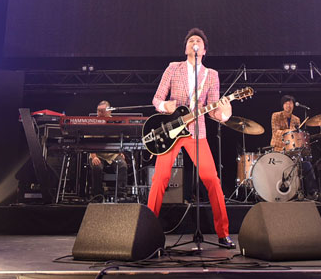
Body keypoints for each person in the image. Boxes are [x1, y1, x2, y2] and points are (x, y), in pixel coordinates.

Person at [148, 28, 235, 248]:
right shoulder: (173, 68)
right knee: (160, 178)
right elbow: (157, 99)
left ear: (204, 50)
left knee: (212, 179)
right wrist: (164, 105)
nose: (194, 42)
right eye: (190, 40)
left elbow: (213, 110)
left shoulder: (211, 74)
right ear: (186, 48)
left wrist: (224, 113)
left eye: (198, 41)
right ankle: (146, 231)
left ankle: (223, 233)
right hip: (171, 130)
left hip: (197, 132)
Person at [269, 95, 319, 199]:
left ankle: (312, 192)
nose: (289, 105)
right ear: (283, 105)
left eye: (291, 103)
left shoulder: (296, 119)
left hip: (293, 151)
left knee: (307, 165)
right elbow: (276, 132)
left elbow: (297, 136)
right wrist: (289, 131)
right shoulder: (276, 115)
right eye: (286, 103)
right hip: (279, 149)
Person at [87, 100, 129, 201]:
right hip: (97, 154)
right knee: (97, 167)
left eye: (102, 111)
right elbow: (88, 141)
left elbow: (121, 138)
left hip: (112, 154)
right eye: (98, 111)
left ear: (109, 111)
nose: (100, 113)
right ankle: (97, 195)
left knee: (122, 165)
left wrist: (120, 152)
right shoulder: (92, 123)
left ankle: (121, 195)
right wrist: (94, 156)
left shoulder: (116, 122)